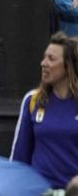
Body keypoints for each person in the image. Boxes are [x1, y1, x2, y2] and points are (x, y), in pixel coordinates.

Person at [12, 33, 78, 188]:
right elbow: (20, 155)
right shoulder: (33, 100)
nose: (43, 63)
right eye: (44, 57)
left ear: (69, 66)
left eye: (52, 59)